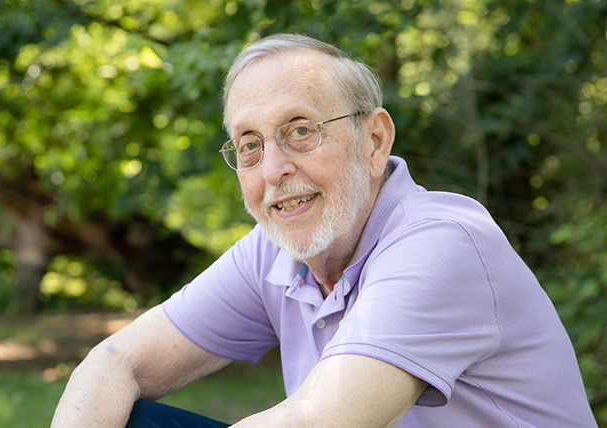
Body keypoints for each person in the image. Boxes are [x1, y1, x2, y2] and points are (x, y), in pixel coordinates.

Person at [51, 34, 597, 428]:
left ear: (375, 141)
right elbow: (115, 362)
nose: (272, 171)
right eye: (249, 146)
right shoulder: (273, 252)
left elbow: (325, 420)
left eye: (300, 131)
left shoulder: (444, 243)